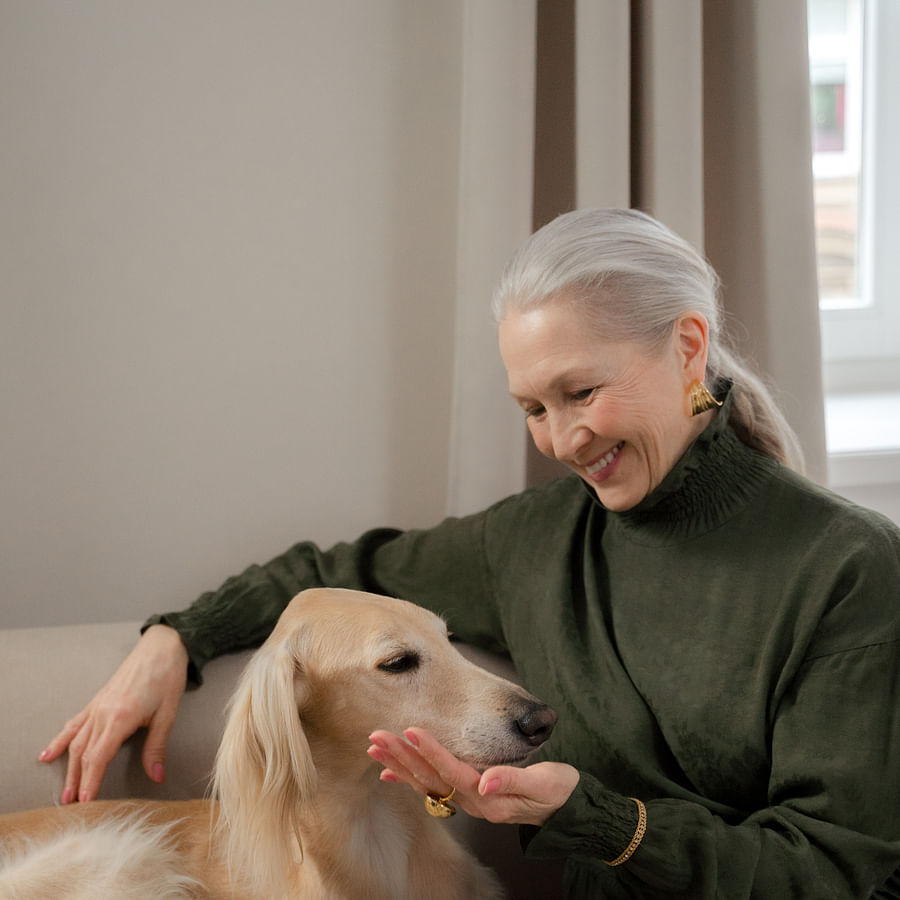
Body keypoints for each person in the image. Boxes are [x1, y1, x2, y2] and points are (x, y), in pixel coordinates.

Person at [40, 209, 900, 897]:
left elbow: (828, 870)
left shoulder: (849, 567)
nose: (562, 440)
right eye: (532, 407)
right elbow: (327, 578)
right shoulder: (530, 541)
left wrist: (599, 821)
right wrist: (176, 640)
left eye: (582, 391)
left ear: (686, 347)